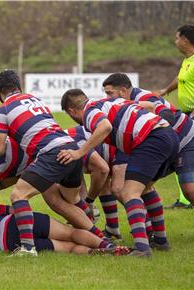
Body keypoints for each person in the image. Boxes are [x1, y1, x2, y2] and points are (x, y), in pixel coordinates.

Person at [0, 70, 108, 256]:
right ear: (19, 87)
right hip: (69, 147)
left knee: (19, 195)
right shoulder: (35, 99)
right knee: (68, 200)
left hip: (50, 153)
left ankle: (28, 249)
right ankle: (103, 242)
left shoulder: (3, 110)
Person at [103, 72, 194, 243]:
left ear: (123, 90)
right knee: (141, 186)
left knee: (190, 189)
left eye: (110, 93)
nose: (107, 98)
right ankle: (154, 234)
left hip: (189, 141)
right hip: (165, 145)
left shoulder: (144, 97)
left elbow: (166, 114)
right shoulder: (126, 104)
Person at [58, 89, 180, 257]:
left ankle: (142, 249)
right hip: (169, 135)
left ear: (71, 111)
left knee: (128, 193)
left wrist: (79, 152)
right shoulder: (108, 103)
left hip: (151, 139)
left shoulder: (89, 112)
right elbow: (149, 106)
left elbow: (105, 127)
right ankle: (160, 241)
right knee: (146, 189)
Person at [0, 133, 114, 254]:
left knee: (57, 202)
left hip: (38, 161)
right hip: (26, 165)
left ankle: (101, 239)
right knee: (68, 205)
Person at [154, 25, 194, 209]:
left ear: (185, 40)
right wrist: (165, 90)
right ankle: (184, 199)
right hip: (188, 114)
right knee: (181, 155)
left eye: (176, 38)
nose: (175, 42)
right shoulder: (188, 60)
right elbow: (180, 78)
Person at [0, 204, 130, 255]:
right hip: (16, 223)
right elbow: (17, 209)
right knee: (71, 233)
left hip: (9, 243)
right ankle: (109, 247)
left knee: (69, 248)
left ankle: (94, 252)